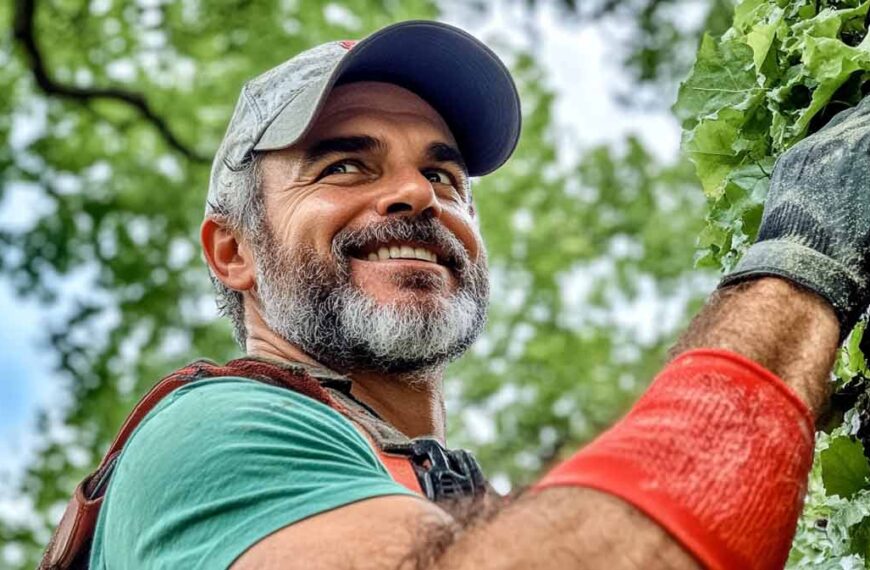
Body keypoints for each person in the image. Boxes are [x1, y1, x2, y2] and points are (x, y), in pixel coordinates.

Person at [64, 18, 870, 570]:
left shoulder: (446, 497)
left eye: (443, 174)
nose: (418, 194)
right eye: (345, 165)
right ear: (233, 251)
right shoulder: (214, 434)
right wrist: (801, 265)